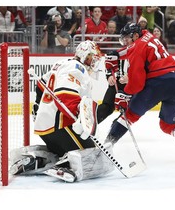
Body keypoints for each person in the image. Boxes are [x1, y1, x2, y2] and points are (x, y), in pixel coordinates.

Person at [104, 23, 175, 162]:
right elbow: (136, 48)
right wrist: (117, 54)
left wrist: (126, 94)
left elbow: (137, 82)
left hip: (158, 82)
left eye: (127, 38)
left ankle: (106, 146)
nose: (125, 42)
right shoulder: (148, 35)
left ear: (136, 35)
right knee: (168, 125)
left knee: (130, 115)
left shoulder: (137, 49)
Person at [10, 40, 114, 182]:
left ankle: (36, 160)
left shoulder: (62, 63)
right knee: (91, 156)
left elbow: (41, 84)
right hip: (60, 124)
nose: (93, 62)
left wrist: (37, 106)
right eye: (91, 58)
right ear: (83, 56)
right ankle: (65, 166)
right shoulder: (78, 68)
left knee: (62, 152)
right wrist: (78, 117)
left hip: (45, 127)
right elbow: (65, 93)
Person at [97, 23, 133, 123]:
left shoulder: (141, 52)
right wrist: (109, 77)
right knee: (106, 107)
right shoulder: (120, 52)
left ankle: (113, 134)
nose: (125, 41)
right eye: (124, 38)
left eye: (127, 38)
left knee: (127, 113)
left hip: (134, 86)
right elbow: (109, 66)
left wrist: (130, 77)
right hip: (118, 84)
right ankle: (90, 126)